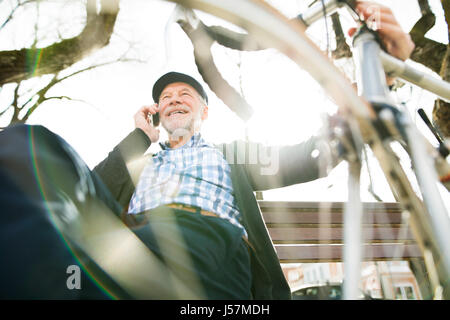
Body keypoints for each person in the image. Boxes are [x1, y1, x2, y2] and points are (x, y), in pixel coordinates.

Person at [0, 1, 414, 299]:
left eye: (185, 94)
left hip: (204, 247)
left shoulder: (231, 155)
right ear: (156, 112)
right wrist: (139, 139)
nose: (174, 99)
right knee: (30, 144)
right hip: (126, 246)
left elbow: (313, 153)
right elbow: (87, 193)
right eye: (165, 97)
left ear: (204, 112)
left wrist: (375, 90)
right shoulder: (139, 159)